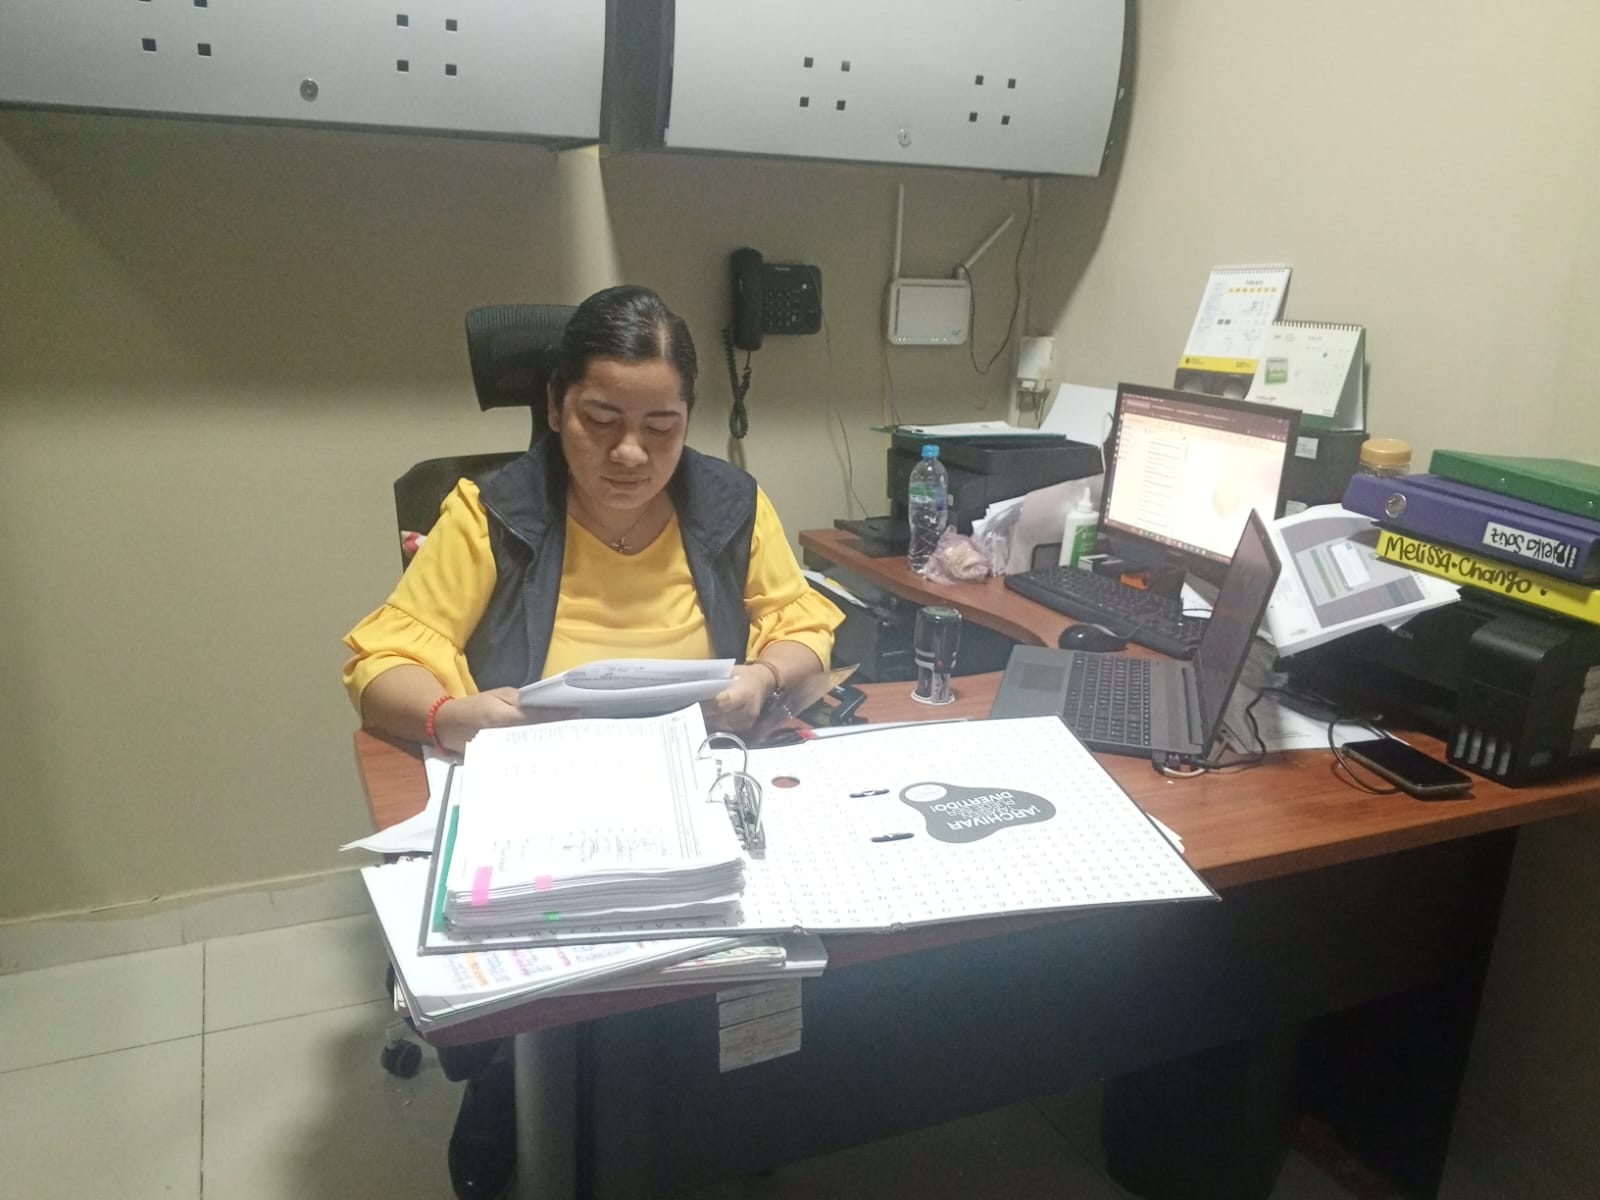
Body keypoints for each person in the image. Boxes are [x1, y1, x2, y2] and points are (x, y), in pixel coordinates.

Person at [342, 284, 843, 1199]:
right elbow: (383, 664)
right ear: (554, 406)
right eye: (600, 420)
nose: (630, 453)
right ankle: (525, 1096)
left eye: (662, 427)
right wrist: (458, 716)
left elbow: (803, 622)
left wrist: (765, 679)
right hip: (545, 792)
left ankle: (706, 1113)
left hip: (696, 782)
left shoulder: (729, 502)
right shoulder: (494, 511)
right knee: (562, 989)